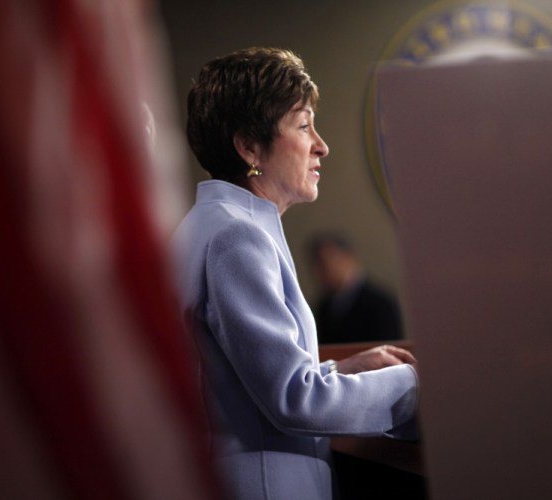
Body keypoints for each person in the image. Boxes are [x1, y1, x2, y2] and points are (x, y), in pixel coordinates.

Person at [171, 47, 419, 500]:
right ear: (248, 145)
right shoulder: (236, 237)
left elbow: (238, 387)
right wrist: (414, 385)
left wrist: (339, 371)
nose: (321, 144)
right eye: (303, 125)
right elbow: (292, 401)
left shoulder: (211, 225)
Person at [309, 233, 404, 344]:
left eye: (324, 262)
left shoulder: (381, 302)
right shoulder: (324, 306)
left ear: (348, 257)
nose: (318, 272)